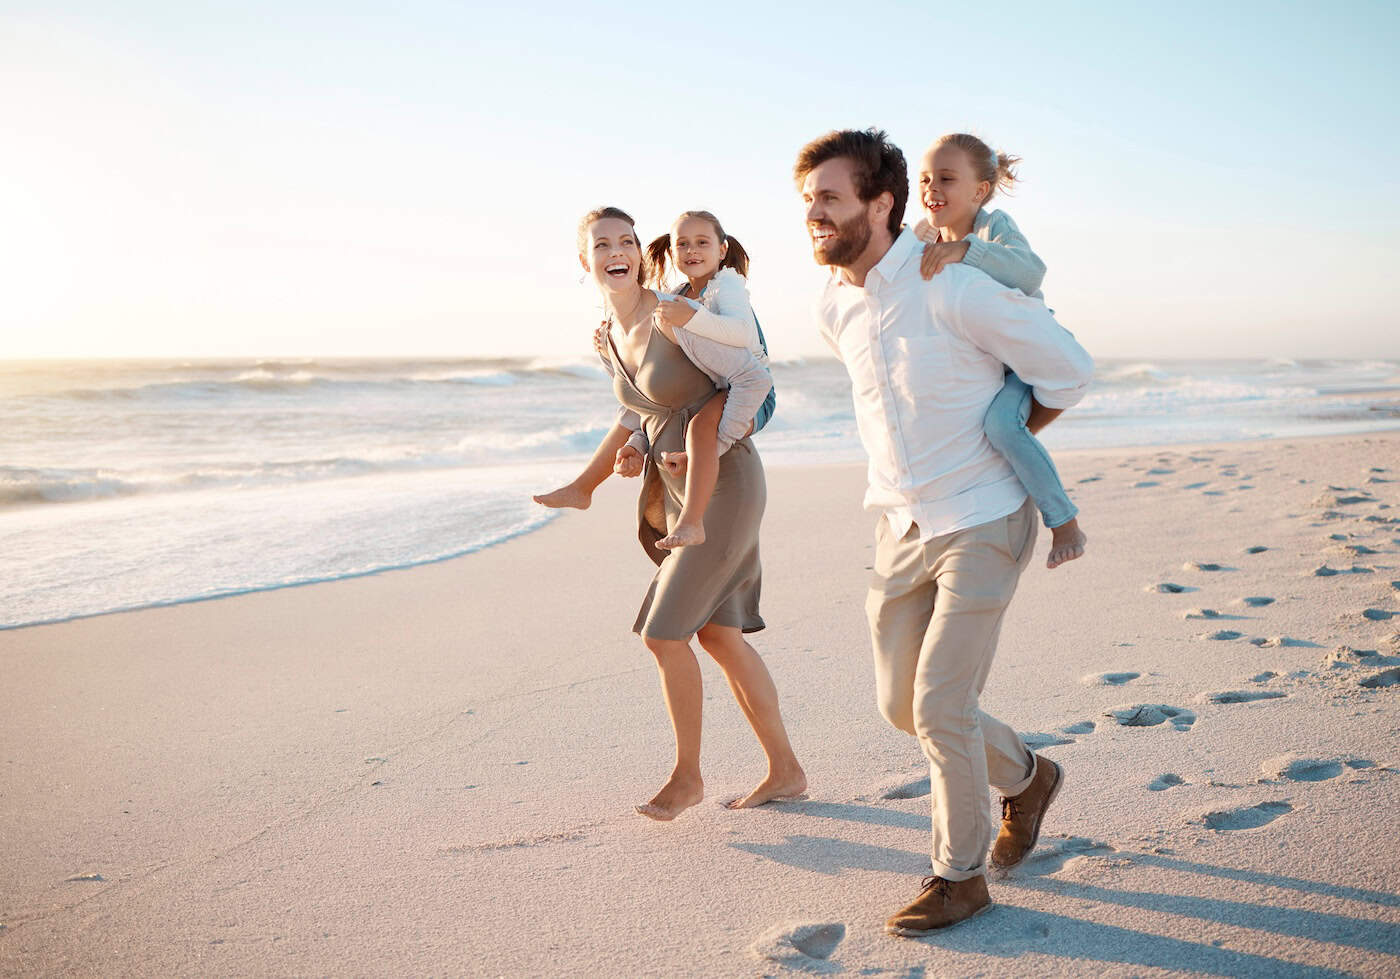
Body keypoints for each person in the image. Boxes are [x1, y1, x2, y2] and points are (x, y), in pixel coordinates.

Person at [794, 129, 1094, 935]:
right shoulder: (832, 304)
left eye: (829, 197)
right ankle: (1029, 779)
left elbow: (1069, 365)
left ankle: (957, 876)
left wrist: (1008, 436)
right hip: (899, 523)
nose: (813, 213)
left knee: (938, 703)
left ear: (880, 202)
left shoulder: (951, 283)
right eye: (808, 200)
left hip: (984, 516)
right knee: (902, 704)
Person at [533, 206, 806, 820]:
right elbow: (641, 410)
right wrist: (628, 452)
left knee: (663, 634)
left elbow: (751, 373)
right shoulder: (608, 337)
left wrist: (717, 438)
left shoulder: (678, 316)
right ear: (586, 261)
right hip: (677, 488)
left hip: (724, 486)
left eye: (626, 240)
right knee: (718, 635)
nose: (616, 251)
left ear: (640, 251)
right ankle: (786, 771)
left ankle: (687, 777)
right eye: (601, 244)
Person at [913, 133, 1087, 569]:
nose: (932, 189)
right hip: (980, 360)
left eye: (946, 179)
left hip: (1023, 363)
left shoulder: (993, 227)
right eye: (925, 179)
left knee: (1002, 428)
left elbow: (1030, 272)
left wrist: (965, 250)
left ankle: (1063, 520)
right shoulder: (922, 236)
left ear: (979, 190)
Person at [640, 210, 775, 550]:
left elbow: (742, 334)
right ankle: (697, 458)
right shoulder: (678, 292)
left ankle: (691, 522)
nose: (692, 251)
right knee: (693, 431)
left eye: (702, 243)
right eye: (682, 244)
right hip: (719, 385)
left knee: (701, 428)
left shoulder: (727, 286)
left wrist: (692, 315)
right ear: (671, 252)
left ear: (723, 249)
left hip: (752, 388)